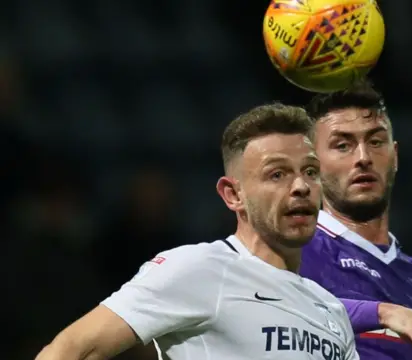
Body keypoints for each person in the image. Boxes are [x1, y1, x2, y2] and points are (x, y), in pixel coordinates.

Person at [35, 104, 362, 360]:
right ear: (234, 196)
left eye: (310, 171)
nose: (301, 186)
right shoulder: (199, 269)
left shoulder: (330, 310)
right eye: (277, 174)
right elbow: (69, 351)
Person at [300, 81, 412, 360]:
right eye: (343, 145)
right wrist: (384, 314)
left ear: (395, 156)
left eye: (376, 142)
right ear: (313, 166)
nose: (364, 158)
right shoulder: (294, 251)